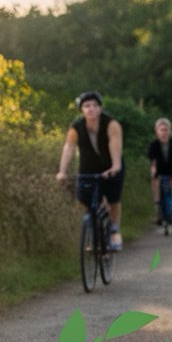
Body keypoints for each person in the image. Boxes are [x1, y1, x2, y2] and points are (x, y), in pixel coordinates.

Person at [56, 91, 125, 250]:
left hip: (111, 166)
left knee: (113, 198)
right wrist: (62, 171)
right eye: (87, 106)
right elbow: (69, 147)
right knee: (86, 198)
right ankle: (93, 233)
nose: (91, 109)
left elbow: (114, 145)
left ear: (100, 108)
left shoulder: (111, 124)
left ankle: (114, 230)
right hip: (88, 167)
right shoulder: (76, 127)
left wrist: (115, 166)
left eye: (95, 105)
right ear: (82, 109)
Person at [147, 117, 172, 227]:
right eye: (161, 130)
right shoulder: (154, 145)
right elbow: (152, 160)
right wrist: (153, 169)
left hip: (171, 171)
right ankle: (158, 210)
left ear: (169, 131)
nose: (164, 133)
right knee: (156, 187)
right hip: (159, 171)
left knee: (171, 194)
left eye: (166, 130)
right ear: (157, 131)